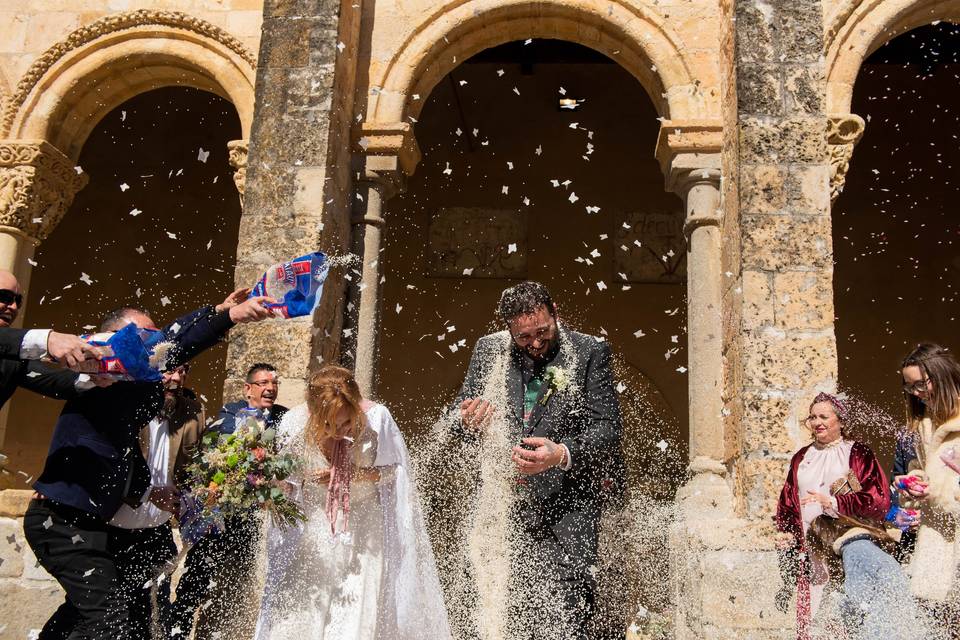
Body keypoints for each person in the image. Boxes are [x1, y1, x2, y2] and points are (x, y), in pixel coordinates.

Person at [23, 292, 274, 640]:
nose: (153, 347)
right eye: (143, 338)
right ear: (111, 340)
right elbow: (174, 343)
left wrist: (221, 312)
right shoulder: (92, 378)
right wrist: (229, 316)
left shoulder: (143, 387)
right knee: (108, 620)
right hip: (62, 522)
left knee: (114, 616)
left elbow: (174, 341)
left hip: (101, 523)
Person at [453, 281, 624, 639]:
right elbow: (463, 423)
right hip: (505, 512)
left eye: (542, 331)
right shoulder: (489, 351)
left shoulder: (590, 351)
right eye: (523, 337)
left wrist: (560, 453)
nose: (534, 343)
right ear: (508, 330)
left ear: (555, 311)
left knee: (567, 616)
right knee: (507, 613)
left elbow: (608, 429)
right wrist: (468, 421)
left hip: (568, 509)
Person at [254, 365, 450, 639]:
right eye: (329, 425)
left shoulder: (377, 419)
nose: (339, 432)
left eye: (346, 423)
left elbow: (398, 473)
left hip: (363, 533)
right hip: (313, 534)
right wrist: (267, 490)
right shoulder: (293, 424)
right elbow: (288, 482)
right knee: (299, 619)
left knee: (352, 622)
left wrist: (354, 475)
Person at [775, 392, 920, 640]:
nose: (817, 422)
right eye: (812, 417)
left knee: (846, 613)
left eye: (824, 416)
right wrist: (786, 531)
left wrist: (833, 502)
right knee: (814, 619)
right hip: (812, 549)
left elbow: (878, 499)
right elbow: (788, 500)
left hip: (848, 544)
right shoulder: (801, 457)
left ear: (840, 420)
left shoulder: (857, 452)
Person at [169, 362, 289, 638]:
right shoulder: (228, 416)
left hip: (252, 520)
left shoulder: (283, 418)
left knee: (235, 584)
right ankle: (176, 633)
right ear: (248, 389)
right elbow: (210, 461)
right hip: (217, 517)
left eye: (274, 384)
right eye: (263, 383)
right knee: (196, 580)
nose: (270, 389)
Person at [106, 362, 204, 639]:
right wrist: (147, 493)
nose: (175, 378)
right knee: (103, 610)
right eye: (168, 370)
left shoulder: (192, 413)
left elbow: (193, 468)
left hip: (158, 530)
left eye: (182, 370)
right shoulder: (126, 406)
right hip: (114, 527)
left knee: (155, 613)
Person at [897, 343, 960, 633]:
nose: (917, 394)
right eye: (910, 387)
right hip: (936, 542)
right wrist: (911, 485)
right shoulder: (923, 427)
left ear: (942, 375)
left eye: (921, 384)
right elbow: (929, 481)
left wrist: (933, 492)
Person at [0, 268, 109, 410]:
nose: (13, 307)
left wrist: (94, 373)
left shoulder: (12, 359)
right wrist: (48, 340)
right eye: (4, 297)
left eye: (18, 301)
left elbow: (54, 382)